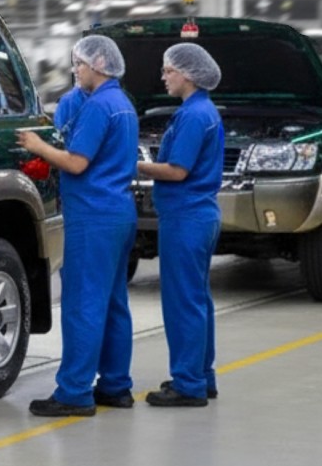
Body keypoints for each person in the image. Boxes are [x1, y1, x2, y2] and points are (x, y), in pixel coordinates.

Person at [17, 35, 139, 417]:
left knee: (83, 304)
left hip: (93, 216)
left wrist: (38, 147)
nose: (76, 71)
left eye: (80, 65)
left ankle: (73, 392)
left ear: (99, 63)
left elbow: (76, 163)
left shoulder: (100, 106)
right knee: (114, 302)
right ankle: (116, 385)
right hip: (119, 212)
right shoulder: (123, 104)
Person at [139, 43, 224, 407]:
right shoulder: (202, 111)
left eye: (168, 71)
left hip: (186, 217)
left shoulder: (193, 116)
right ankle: (202, 376)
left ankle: (187, 384)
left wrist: (133, 166)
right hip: (199, 214)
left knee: (182, 302)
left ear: (187, 75)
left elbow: (177, 170)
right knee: (198, 299)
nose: (164, 77)